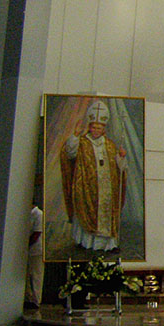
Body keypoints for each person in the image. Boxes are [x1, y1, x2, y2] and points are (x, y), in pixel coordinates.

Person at [60, 99, 126, 252]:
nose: (96, 130)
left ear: (104, 129)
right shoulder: (82, 142)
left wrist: (121, 157)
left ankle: (109, 245)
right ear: (89, 127)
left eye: (99, 127)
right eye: (94, 127)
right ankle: (86, 242)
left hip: (107, 189)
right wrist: (75, 136)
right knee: (86, 211)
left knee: (106, 215)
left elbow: (119, 168)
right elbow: (69, 154)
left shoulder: (109, 145)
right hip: (86, 188)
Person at [25, 204, 43, 307]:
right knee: (27, 275)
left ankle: (36, 300)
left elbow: (37, 233)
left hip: (37, 250)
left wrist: (26, 245)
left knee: (36, 275)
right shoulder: (26, 215)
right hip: (27, 251)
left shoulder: (38, 214)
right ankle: (28, 298)